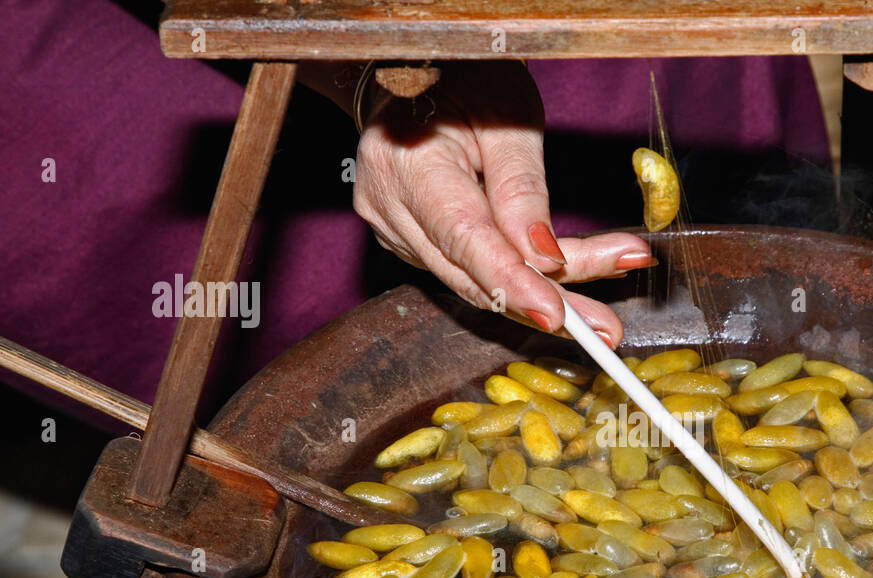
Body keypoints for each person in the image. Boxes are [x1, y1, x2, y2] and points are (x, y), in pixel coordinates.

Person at [1, 1, 830, 420]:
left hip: (593, 55)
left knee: (737, 296)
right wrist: (375, 70)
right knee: (302, 411)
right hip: (138, 58)